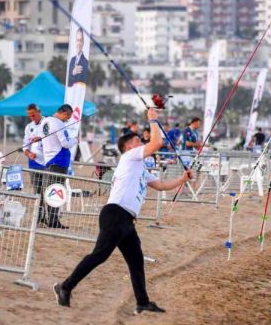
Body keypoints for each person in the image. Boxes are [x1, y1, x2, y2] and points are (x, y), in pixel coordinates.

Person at [53, 108, 193, 314]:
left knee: (136, 261)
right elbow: (156, 144)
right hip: (115, 213)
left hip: (126, 219)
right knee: (100, 255)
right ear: (128, 146)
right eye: (138, 141)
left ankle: (142, 302)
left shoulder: (141, 169)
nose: (141, 144)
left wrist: (182, 179)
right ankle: (65, 286)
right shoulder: (129, 157)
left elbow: (162, 185)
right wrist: (153, 120)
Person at [41, 104, 78, 228]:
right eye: (68, 116)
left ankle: (50, 219)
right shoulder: (59, 124)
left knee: (51, 190)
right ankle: (53, 220)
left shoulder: (45, 121)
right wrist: (75, 140)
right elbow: (65, 143)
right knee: (56, 192)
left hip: (49, 160)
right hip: (59, 161)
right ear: (65, 113)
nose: (68, 119)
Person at [24, 104, 48, 223]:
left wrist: (41, 138)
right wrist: (29, 154)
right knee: (37, 191)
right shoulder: (29, 127)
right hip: (33, 163)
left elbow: (52, 138)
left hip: (47, 162)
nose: (31, 117)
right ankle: (39, 217)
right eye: (29, 115)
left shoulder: (48, 123)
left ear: (39, 111)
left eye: (33, 114)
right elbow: (25, 145)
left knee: (47, 190)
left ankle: (50, 216)